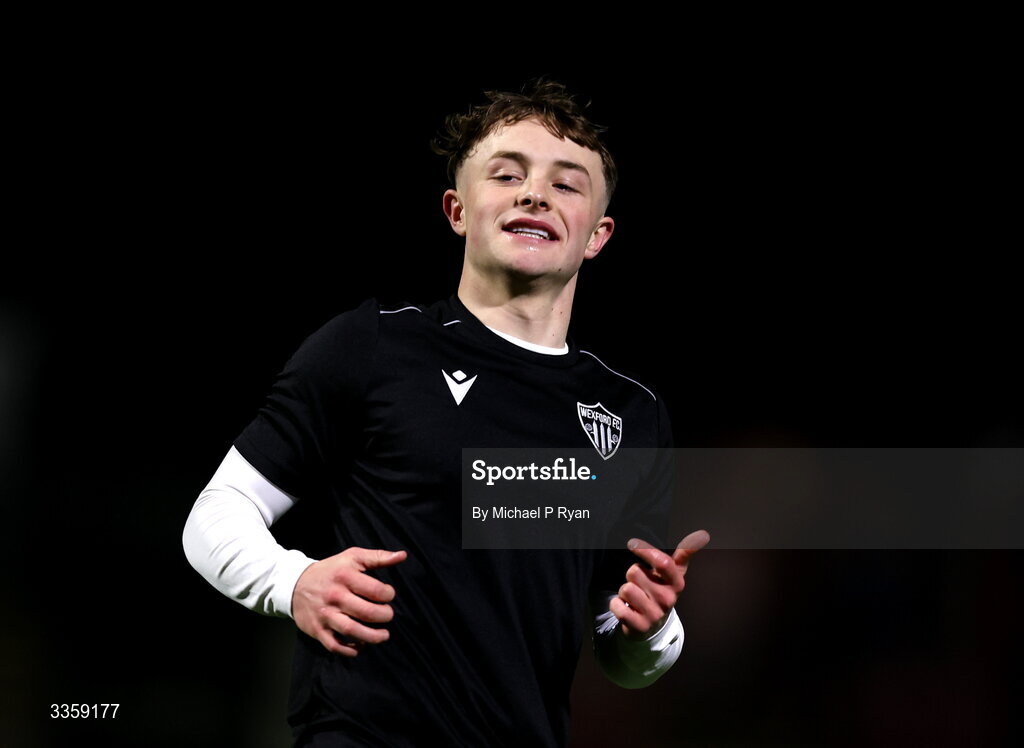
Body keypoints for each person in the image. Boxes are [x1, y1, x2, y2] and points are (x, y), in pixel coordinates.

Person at [183, 79, 710, 747]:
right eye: (507, 174)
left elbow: (623, 650)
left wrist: (651, 632)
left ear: (597, 236)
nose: (534, 194)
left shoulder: (631, 414)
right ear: (457, 210)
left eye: (566, 184)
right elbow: (216, 513)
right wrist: (293, 581)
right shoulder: (373, 346)